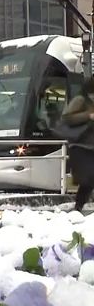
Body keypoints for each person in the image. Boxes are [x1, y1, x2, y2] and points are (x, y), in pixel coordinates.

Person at [63, 78, 94, 212]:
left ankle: (78, 207)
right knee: (88, 179)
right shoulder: (80, 100)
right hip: (81, 146)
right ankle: (78, 206)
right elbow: (67, 118)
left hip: (91, 146)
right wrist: (88, 116)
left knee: (90, 179)